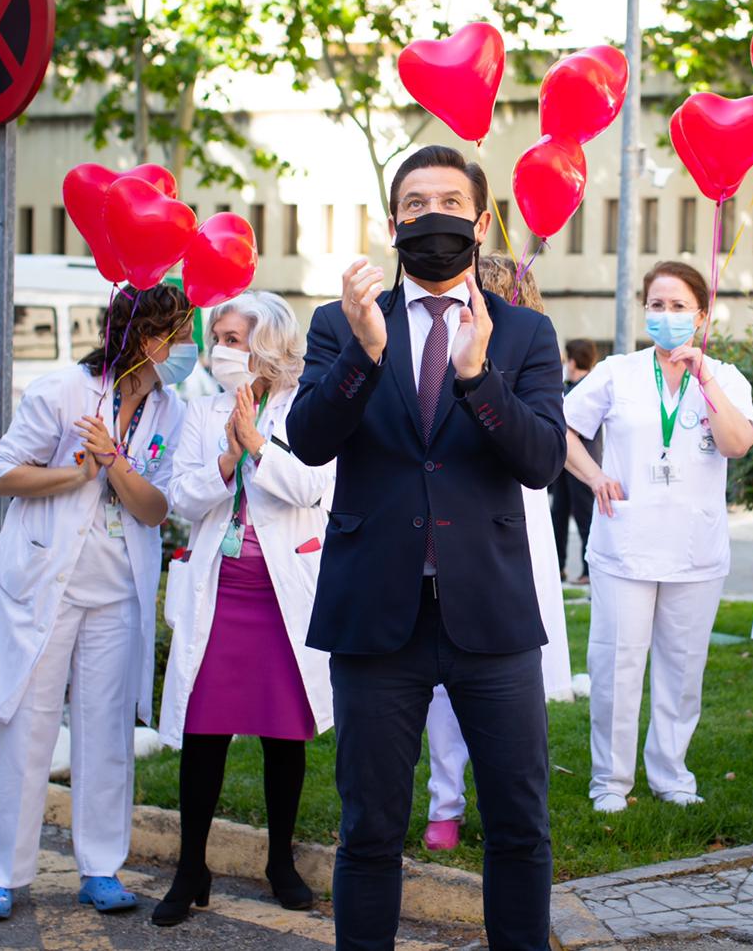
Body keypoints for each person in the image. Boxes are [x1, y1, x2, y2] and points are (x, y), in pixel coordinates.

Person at [285, 145, 566, 949]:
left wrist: (481, 381)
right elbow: (307, 441)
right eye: (415, 204)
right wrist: (367, 355)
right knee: (370, 829)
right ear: (393, 222)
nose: (431, 216)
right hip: (377, 616)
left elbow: (543, 460)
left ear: (481, 223)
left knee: (519, 824)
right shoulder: (341, 324)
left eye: (450, 202)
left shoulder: (524, 333)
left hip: (493, 615)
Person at [0, 284, 195, 921]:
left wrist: (113, 461)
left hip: (117, 594)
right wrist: (76, 473)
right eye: (180, 335)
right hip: (45, 585)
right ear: (149, 341)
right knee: (27, 729)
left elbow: (154, 508)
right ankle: (1, 876)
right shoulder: (62, 392)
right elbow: (5, 474)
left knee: (107, 735)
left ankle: (101, 868)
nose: (188, 348)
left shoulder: (171, 410)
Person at [153, 292, 336, 924]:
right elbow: (182, 498)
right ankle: (189, 869)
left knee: (284, 737)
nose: (221, 350)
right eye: (219, 338)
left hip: (282, 599)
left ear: (267, 344)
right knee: (203, 734)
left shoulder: (305, 409)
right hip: (220, 595)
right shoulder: (201, 411)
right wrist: (228, 456)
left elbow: (313, 487)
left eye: (234, 339)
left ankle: (280, 860)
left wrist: (257, 442)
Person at [562, 260, 753, 813]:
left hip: (694, 551)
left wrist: (706, 380)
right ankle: (610, 781)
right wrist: (595, 475)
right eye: (656, 305)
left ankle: (672, 774)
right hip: (625, 546)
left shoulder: (725, 377)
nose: (666, 316)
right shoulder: (618, 373)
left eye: (677, 307)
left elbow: (738, 443)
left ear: (701, 314)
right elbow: (564, 427)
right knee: (616, 668)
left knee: (681, 669)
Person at [421, 252, 573, 853]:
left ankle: (498, 793)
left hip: (515, 521)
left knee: (505, 677)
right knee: (440, 681)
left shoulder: (530, 348)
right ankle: (445, 798)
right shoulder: (429, 351)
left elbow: (547, 447)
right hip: (448, 519)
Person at [552, 337, 602, 584]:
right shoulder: (566, 386)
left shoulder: (588, 387)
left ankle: (588, 570)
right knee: (558, 514)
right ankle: (558, 566)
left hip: (583, 463)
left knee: (585, 518)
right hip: (562, 464)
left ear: (572, 361)